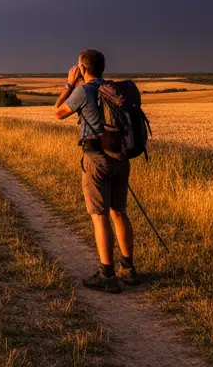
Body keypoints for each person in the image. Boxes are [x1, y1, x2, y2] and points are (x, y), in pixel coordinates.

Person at [54, 49, 138, 293]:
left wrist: (69, 84)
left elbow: (58, 112)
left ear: (82, 68)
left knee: (100, 216)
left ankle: (107, 274)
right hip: (120, 157)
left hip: (95, 159)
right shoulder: (114, 89)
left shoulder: (83, 90)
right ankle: (128, 269)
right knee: (119, 212)